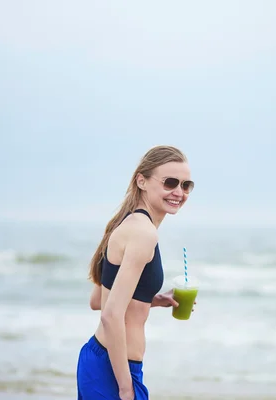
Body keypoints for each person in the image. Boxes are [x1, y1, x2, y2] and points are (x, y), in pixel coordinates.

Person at [76, 145, 195, 400]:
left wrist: (150, 300)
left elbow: (98, 301)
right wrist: (125, 388)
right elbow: (110, 315)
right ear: (142, 180)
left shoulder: (127, 223)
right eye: (170, 182)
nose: (179, 192)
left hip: (97, 358)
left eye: (186, 185)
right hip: (114, 370)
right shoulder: (144, 233)